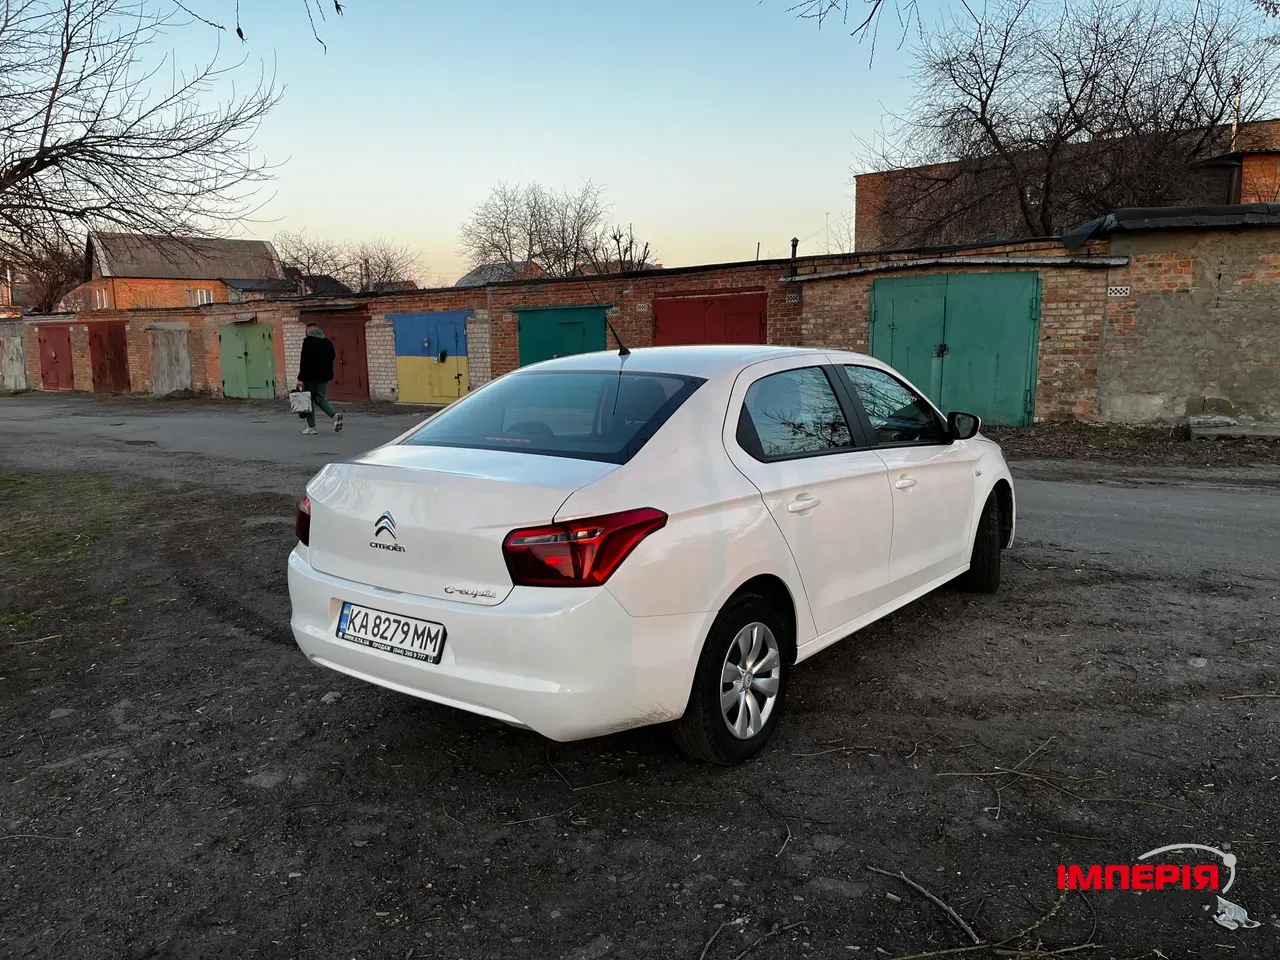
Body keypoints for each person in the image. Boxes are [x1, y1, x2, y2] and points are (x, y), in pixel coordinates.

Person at [296, 321, 344, 435]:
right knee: (321, 398)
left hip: (310, 377)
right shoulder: (327, 342)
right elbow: (332, 356)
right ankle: (334, 414)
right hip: (324, 376)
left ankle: (311, 427)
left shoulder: (308, 342)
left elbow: (304, 361)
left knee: (308, 401)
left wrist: (300, 378)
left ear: (308, 331)